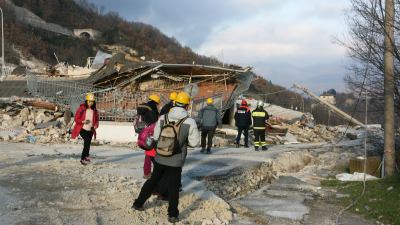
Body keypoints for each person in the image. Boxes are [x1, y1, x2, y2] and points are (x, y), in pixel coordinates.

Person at [132, 91, 199, 223]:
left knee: (152, 181)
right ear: (186, 106)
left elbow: (156, 137)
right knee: (174, 186)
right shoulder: (190, 121)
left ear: (174, 103)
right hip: (176, 159)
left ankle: (138, 203)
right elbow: (194, 142)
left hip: (160, 156)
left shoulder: (163, 118)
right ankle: (172, 214)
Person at [71, 92, 99, 165]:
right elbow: (76, 118)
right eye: (89, 101)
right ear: (86, 101)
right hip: (82, 129)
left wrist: (96, 125)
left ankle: (86, 156)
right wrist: (82, 121)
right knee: (86, 141)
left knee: (88, 143)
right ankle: (83, 158)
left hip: (90, 129)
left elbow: (97, 120)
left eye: (92, 102)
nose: (90, 103)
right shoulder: (82, 108)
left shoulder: (94, 110)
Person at [137, 94, 161, 179]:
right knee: (153, 154)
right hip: (152, 134)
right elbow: (155, 122)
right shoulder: (152, 109)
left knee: (148, 153)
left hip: (144, 133)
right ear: (156, 102)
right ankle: (154, 173)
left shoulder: (143, 108)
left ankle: (146, 173)